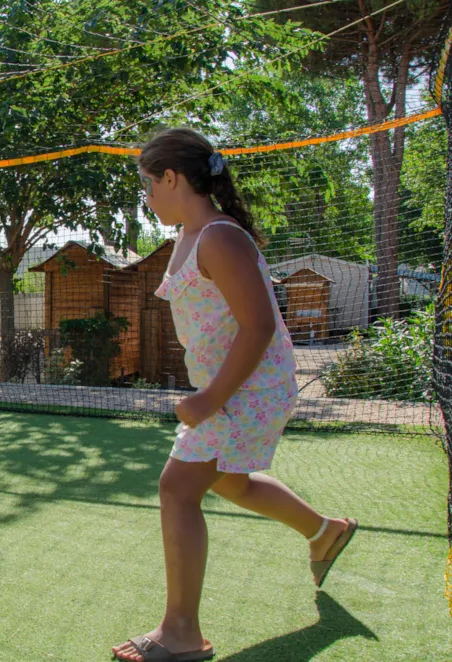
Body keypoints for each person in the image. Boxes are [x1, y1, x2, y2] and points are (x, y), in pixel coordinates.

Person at [111, 129, 357, 662]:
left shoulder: (220, 236)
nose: (147, 197)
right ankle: (325, 531)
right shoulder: (189, 235)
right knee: (231, 482)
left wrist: (208, 398)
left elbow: (260, 326)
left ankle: (180, 634)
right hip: (231, 387)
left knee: (178, 489)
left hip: (248, 388)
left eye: (148, 185)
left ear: (173, 178)